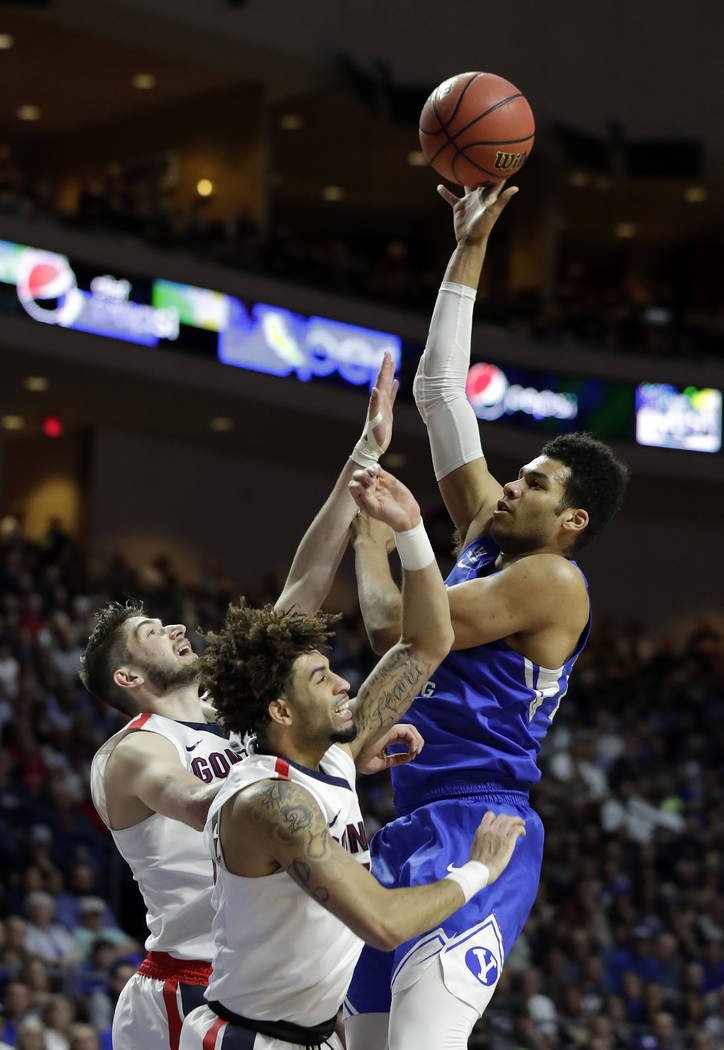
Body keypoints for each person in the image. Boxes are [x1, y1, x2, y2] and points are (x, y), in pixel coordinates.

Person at [344, 182, 630, 1050]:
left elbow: (400, 628)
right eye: (520, 472)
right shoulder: (484, 531)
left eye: (535, 484)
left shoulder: (554, 582)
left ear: (571, 521)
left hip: (480, 822)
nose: (511, 483)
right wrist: (468, 245)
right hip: (405, 816)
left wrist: (374, 529)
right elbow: (440, 392)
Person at [82, 354, 421, 1050]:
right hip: (187, 988)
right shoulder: (134, 751)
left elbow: (303, 585)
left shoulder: (231, 714)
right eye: (152, 631)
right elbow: (208, 805)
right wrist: (333, 761)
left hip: (271, 984)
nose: (176, 627)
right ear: (126, 677)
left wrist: (364, 456)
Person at [179, 462, 526, 1050]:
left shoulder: (333, 754)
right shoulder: (272, 802)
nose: (344, 685)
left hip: (308, 1035)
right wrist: (480, 872)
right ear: (281, 712)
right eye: (320, 678)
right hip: (249, 1039)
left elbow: (427, 642)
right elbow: (382, 924)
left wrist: (409, 530)